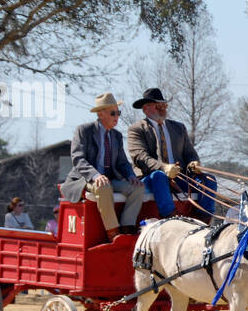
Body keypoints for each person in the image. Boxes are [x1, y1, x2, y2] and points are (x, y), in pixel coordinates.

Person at [59, 92, 145, 240]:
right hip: (86, 179)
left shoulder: (116, 136)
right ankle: (113, 232)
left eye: (118, 112)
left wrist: (131, 176)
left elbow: (122, 162)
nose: (117, 116)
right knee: (103, 186)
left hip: (109, 178)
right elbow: (78, 158)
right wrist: (96, 175)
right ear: (101, 114)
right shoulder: (84, 131)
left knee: (138, 188)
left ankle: (127, 227)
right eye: (113, 113)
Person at [126, 87, 216, 219]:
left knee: (209, 180)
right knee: (159, 176)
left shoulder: (178, 127)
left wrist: (194, 163)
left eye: (164, 105)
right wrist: (164, 168)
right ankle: (171, 218)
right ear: (145, 109)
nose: (163, 109)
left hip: (179, 178)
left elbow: (190, 153)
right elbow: (140, 157)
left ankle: (204, 219)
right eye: (158, 106)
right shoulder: (136, 129)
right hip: (151, 178)